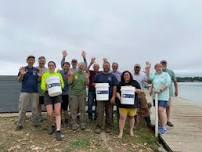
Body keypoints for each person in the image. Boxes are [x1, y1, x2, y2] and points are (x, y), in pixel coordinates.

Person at [41, 61, 64, 141]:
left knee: (57, 112)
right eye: (49, 65)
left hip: (57, 94)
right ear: (48, 67)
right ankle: (51, 125)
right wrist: (47, 88)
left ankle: (58, 130)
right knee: (50, 113)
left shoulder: (58, 74)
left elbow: (62, 84)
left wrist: (59, 87)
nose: (51, 67)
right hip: (48, 95)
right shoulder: (45, 75)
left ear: (55, 66)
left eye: (52, 65)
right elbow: (42, 86)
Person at [94, 61, 119, 134]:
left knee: (109, 112)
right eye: (105, 66)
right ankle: (98, 127)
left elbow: (115, 86)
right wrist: (96, 85)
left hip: (110, 98)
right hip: (100, 98)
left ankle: (108, 127)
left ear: (109, 67)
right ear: (103, 66)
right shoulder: (98, 75)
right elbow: (93, 83)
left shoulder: (112, 76)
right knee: (99, 112)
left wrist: (113, 97)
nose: (106, 67)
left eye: (107, 66)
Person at [146, 63, 171, 134]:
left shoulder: (166, 74)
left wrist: (161, 90)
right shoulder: (154, 75)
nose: (159, 68)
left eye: (160, 66)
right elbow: (149, 79)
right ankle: (160, 124)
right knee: (157, 110)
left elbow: (168, 83)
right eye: (157, 67)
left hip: (163, 96)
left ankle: (163, 127)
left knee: (161, 110)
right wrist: (148, 69)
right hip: (155, 96)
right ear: (155, 68)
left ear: (162, 68)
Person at [16, 55, 40, 130]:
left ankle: (35, 123)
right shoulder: (23, 69)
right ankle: (20, 124)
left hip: (35, 92)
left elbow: (38, 81)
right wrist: (22, 74)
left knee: (34, 108)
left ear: (34, 61)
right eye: (30, 60)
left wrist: (40, 77)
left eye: (33, 60)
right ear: (27, 61)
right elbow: (19, 80)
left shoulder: (36, 70)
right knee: (23, 108)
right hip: (24, 92)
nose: (31, 61)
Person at [116, 71, 141, 138]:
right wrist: (120, 98)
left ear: (130, 75)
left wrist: (135, 90)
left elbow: (139, 91)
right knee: (122, 117)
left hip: (132, 104)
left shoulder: (134, 82)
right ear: (123, 76)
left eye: (127, 75)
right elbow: (117, 92)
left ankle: (131, 130)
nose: (126, 76)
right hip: (122, 104)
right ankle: (121, 132)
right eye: (125, 75)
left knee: (132, 117)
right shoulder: (120, 83)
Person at [68, 62, 89, 130]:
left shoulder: (85, 74)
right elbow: (69, 82)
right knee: (73, 109)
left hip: (82, 94)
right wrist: (71, 76)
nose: (81, 67)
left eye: (82, 66)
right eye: (80, 65)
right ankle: (73, 123)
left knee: (82, 109)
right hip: (74, 94)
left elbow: (87, 84)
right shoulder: (73, 73)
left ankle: (82, 123)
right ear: (78, 66)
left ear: (84, 67)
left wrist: (87, 78)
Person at [133, 64, 153, 129]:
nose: (137, 69)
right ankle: (135, 124)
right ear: (134, 68)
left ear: (140, 68)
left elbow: (148, 82)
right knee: (135, 109)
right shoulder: (131, 75)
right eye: (136, 67)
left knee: (145, 107)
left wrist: (148, 71)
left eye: (138, 67)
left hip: (141, 93)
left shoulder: (143, 75)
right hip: (133, 94)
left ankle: (148, 123)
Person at [160, 60, 178, 127]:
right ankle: (161, 121)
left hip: (168, 92)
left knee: (168, 106)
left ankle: (167, 120)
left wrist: (176, 90)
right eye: (162, 63)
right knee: (160, 107)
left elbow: (175, 81)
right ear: (160, 64)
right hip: (160, 92)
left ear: (166, 64)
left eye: (164, 63)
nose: (163, 64)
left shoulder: (170, 72)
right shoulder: (158, 72)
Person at [58, 59, 71, 127]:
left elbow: (70, 83)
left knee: (65, 107)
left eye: (67, 66)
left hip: (66, 93)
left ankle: (66, 119)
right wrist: (63, 57)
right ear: (62, 66)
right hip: (59, 93)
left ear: (69, 67)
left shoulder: (70, 73)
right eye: (65, 66)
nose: (66, 67)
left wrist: (69, 76)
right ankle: (59, 119)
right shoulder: (59, 72)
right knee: (59, 107)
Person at [37, 56, 48, 122]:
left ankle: (49, 116)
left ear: (45, 62)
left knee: (47, 104)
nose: (42, 62)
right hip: (37, 90)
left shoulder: (47, 69)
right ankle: (39, 116)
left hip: (45, 90)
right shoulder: (35, 68)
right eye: (41, 61)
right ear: (38, 61)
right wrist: (39, 77)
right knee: (38, 104)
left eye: (43, 61)